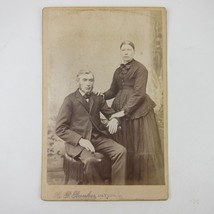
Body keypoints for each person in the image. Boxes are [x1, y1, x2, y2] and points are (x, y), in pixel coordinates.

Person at [101, 41, 164, 185]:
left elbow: (139, 94)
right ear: (120, 52)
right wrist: (101, 95)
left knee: (139, 144)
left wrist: (123, 112)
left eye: (129, 49)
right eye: (123, 49)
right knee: (125, 144)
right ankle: (125, 179)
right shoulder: (117, 71)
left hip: (138, 111)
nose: (126, 52)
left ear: (134, 51)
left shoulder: (141, 69)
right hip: (120, 107)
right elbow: (113, 90)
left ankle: (140, 181)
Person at [55, 69, 127, 185]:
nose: (88, 83)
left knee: (121, 151)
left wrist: (114, 119)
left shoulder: (97, 98)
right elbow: (60, 129)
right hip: (78, 143)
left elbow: (111, 113)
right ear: (78, 81)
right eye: (85, 80)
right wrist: (80, 140)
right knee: (90, 161)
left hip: (97, 138)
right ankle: (99, 190)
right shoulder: (70, 100)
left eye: (91, 80)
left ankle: (118, 189)